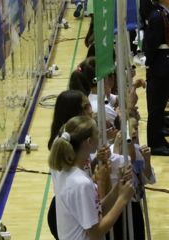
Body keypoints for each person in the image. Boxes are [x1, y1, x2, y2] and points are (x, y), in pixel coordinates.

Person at [49, 116, 134, 240]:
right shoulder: (81, 183)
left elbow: (96, 211)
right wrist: (122, 200)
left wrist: (118, 189)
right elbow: (95, 233)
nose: (99, 137)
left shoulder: (68, 172)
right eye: (97, 134)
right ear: (89, 142)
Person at [46, 90, 94, 239]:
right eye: (85, 107)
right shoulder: (65, 145)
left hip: (71, 206)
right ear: (74, 112)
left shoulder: (76, 141)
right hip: (67, 212)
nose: (91, 111)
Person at [144, 0, 169, 156]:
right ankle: (155, 144)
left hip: (163, 62)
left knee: (160, 105)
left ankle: (160, 139)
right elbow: (151, 45)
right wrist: (151, 65)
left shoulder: (164, 13)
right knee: (156, 109)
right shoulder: (157, 17)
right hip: (159, 65)